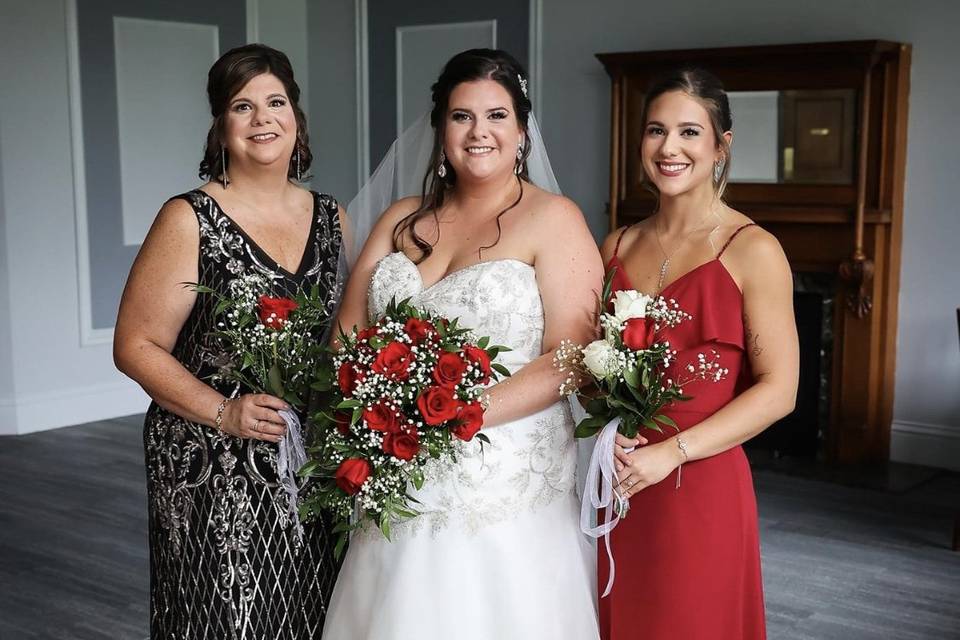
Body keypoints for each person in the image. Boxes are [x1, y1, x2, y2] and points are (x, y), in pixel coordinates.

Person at [321, 48, 602, 639]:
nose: (479, 133)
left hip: (502, 472)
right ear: (440, 129)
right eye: (461, 116)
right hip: (397, 462)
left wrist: (453, 420)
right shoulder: (400, 220)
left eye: (497, 116)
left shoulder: (555, 219)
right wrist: (378, 413)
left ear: (522, 131)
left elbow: (570, 357)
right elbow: (348, 331)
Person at [113, 44, 343, 639]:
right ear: (221, 126)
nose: (263, 118)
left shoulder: (332, 216)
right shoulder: (188, 218)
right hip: (208, 460)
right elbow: (135, 345)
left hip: (307, 461)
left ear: (296, 116)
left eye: (276, 102)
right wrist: (225, 412)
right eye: (243, 106)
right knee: (224, 618)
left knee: (311, 613)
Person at [597, 67, 799, 639]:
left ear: (720, 146)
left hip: (700, 482)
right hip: (618, 478)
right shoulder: (616, 243)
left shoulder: (754, 250)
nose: (669, 148)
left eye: (689, 132)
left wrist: (674, 453)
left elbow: (780, 391)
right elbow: (592, 366)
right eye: (656, 131)